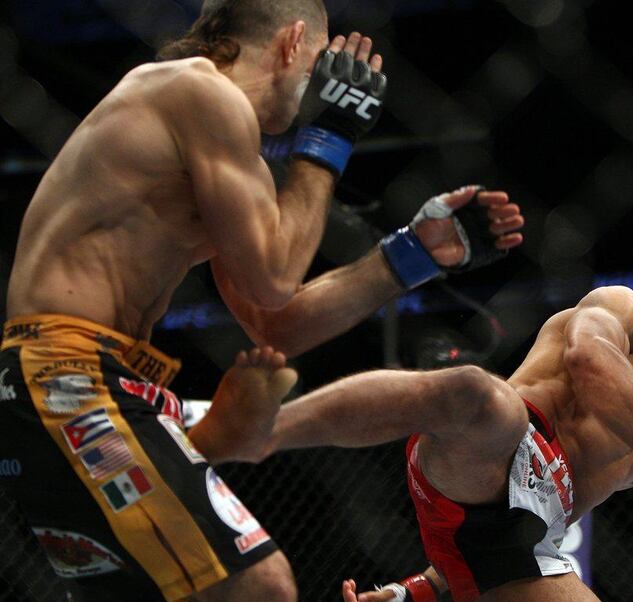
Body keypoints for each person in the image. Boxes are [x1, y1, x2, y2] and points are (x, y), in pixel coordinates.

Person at [0, 0, 525, 598]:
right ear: (292, 42)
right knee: (262, 585)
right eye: (319, 61)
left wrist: (414, 255)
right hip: (69, 380)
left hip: (92, 384)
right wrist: (331, 135)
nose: (317, 86)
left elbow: (279, 321)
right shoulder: (197, 93)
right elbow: (277, 276)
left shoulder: (220, 146)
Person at [256, 266, 633, 601]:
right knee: (481, 392)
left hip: (516, 534)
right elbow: (587, 358)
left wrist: (417, 590)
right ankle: (266, 427)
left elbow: (526, 535)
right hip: (493, 444)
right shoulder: (624, 311)